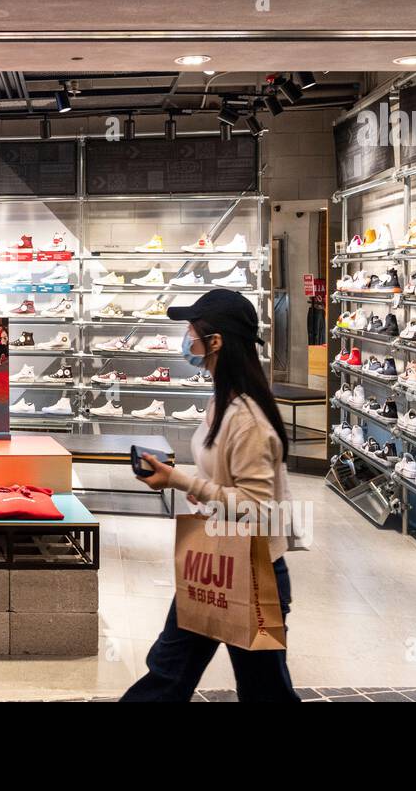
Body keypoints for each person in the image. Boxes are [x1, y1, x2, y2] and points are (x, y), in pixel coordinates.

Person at [122, 288, 299, 703]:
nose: (186, 338)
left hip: (253, 572)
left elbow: (257, 507)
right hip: (214, 560)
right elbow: (227, 484)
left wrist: (180, 482)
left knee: (261, 690)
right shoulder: (222, 401)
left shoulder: (247, 418)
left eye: (191, 330)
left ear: (214, 341)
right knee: (169, 674)